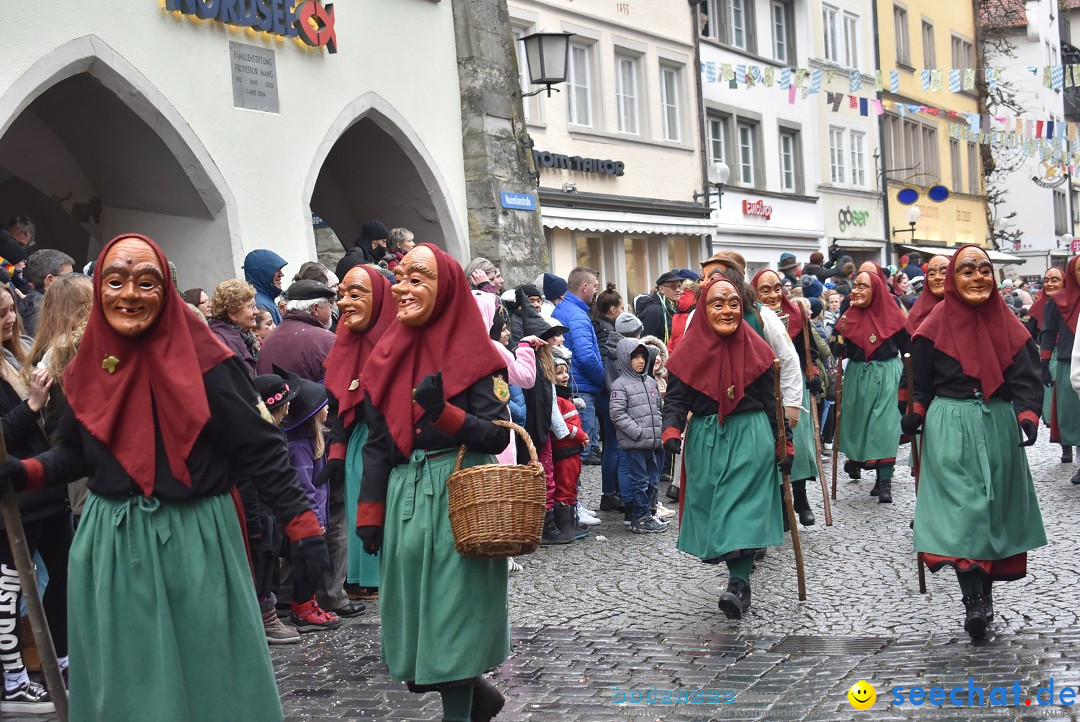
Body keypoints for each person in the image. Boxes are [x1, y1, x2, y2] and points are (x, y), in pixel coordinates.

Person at [0, 234, 328, 721]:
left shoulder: (210, 363)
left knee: (204, 674)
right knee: (130, 678)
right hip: (110, 541)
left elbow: (260, 447)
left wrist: (302, 526)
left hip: (194, 536)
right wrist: (22, 472)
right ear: (100, 291)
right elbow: (75, 452)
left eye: (145, 282)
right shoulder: (89, 362)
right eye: (115, 281)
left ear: (166, 290)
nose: (129, 294)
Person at [356, 243, 510, 722]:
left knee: (453, 614)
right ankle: (475, 696)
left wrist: (445, 413)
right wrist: (370, 512)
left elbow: (497, 432)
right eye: (400, 277)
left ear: (445, 289)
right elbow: (378, 443)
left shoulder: (478, 354)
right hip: (406, 493)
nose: (402, 288)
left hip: (460, 492)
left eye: (417, 278)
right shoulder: (386, 356)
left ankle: (459, 713)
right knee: (416, 618)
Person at [908, 245, 1045, 640]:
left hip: (997, 425)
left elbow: (1025, 377)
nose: (978, 277)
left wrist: (1028, 415)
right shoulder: (932, 326)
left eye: (985, 270)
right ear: (954, 278)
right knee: (963, 512)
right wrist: (915, 409)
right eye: (967, 271)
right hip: (949, 426)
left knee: (989, 513)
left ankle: (984, 598)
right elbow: (919, 381)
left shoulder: (1011, 325)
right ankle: (974, 602)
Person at [662, 278, 787, 619]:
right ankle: (736, 575)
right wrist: (671, 429)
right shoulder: (687, 351)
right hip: (706, 437)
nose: (728, 311)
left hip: (751, 435)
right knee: (719, 508)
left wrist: (783, 441)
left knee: (741, 508)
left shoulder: (757, 348)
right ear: (703, 309)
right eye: (718, 304)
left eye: (734, 303)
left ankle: (738, 583)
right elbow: (675, 398)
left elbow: (770, 402)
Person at [0, 284, 67, 714]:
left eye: (10, 309)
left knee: (61, 577)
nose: (9, 318)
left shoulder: (17, 353)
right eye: (1, 312)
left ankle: (61, 662)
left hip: (45, 488)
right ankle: (12, 679)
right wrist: (32, 402)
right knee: (10, 588)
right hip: (13, 496)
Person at [322, 266, 396, 604]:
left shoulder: (395, 340)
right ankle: (363, 578)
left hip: (392, 442)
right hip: (358, 442)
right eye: (342, 295)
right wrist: (337, 450)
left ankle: (384, 575)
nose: (345, 303)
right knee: (356, 508)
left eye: (356, 294)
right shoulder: (346, 341)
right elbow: (340, 401)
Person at [753, 270, 826, 527]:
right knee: (775, 447)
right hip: (766, 393)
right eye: (765, 291)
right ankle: (782, 506)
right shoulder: (755, 319)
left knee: (801, 448)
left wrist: (813, 374)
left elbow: (811, 354)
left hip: (795, 392)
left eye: (776, 289)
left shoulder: (797, 316)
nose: (773, 295)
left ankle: (801, 498)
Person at [831, 270, 908, 503]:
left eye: (863, 286)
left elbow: (907, 348)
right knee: (859, 425)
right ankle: (855, 461)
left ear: (876, 289)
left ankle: (883, 482)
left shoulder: (894, 316)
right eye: (856, 286)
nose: (856, 290)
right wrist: (838, 345)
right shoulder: (847, 317)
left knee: (885, 427)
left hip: (887, 374)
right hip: (857, 375)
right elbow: (837, 347)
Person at [280, 369, 343, 632]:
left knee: (312, 565)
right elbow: (304, 487)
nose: (329, 409)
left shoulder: (313, 440)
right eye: (325, 406)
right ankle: (303, 610)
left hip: (314, 518)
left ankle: (307, 605)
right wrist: (314, 522)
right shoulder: (299, 447)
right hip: (307, 521)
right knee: (307, 565)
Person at [609, 338, 666, 534]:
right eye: (636, 357)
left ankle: (649, 513)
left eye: (643, 357)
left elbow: (657, 409)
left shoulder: (649, 382)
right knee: (639, 481)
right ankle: (640, 516)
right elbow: (617, 413)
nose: (641, 361)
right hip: (635, 443)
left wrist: (658, 431)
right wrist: (637, 432)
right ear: (626, 359)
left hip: (652, 441)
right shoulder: (620, 385)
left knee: (652, 479)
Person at [552, 267, 605, 463]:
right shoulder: (578, 316)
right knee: (578, 453)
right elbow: (586, 357)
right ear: (585, 287)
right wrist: (603, 379)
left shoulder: (563, 308)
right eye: (595, 286)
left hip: (571, 387)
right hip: (581, 390)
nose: (596, 291)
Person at [1040, 256, 1080, 483]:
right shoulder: (1056, 301)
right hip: (1068, 363)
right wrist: (1044, 363)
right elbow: (1047, 332)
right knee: (1075, 419)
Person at [257, 280, 337, 381]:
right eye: (329, 305)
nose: (330, 309)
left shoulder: (269, 340)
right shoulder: (325, 340)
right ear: (315, 309)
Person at [592, 284, 624, 510]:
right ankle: (609, 493)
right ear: (612, 309)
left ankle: (612, 491)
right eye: (621, 308)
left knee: (611, 444)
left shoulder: (600, 327)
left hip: (606, 395)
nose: (622, 312)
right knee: (612, 445)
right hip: (609, 396)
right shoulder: (607, 333)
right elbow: (606, 368)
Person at [551, 354, 589, 539]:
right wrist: (580, 435)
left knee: (572, 485)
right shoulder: (556, 400)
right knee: (564, 486)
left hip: (573, 450)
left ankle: (571, 521)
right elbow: (560, 426)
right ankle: (564, 524)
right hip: (564, 450)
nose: (564, 376)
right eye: (559, 373)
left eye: (566, 372)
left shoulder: (565, 398)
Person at [207, 278, 260, 380]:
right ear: (233, 314)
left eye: (255, 306)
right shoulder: (221, 342)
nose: (257, 311)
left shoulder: (245, 337)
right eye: (251, 307)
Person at [18, 249, 74, 336]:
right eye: (68, 276)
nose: (72, 281)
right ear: (50, 279)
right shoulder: (40, 313)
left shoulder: (47, 304)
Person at [244, 248, 287, 324]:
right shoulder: (259, 304)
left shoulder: (265, 299)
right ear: (263, 274)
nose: (281, 274)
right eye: (276, 270)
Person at [636, 271, 681, 343]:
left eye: (679, 286)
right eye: (673, 287)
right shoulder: (655, 310)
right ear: (661, 289)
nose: (678, 290)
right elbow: (645, 340)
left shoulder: (674, 307)